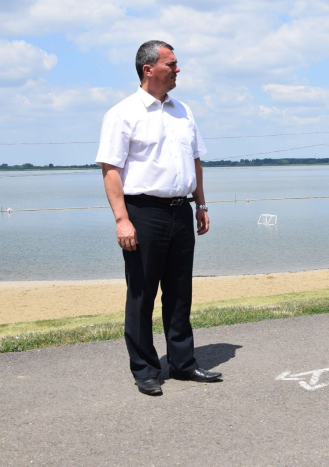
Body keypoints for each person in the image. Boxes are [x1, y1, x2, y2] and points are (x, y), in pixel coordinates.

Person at [96, 40, 221, 396]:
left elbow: (195, 161)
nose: (178, 69)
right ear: (148, 69)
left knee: (180, 293)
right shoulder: (122, 113)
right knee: (142, 295)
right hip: (143, 213)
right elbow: (111, 170)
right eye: (172, 63)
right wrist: (122, 219)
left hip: (180, 211)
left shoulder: (184, 111)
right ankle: (146, 370)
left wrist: (201, 204)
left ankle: (183, 363)